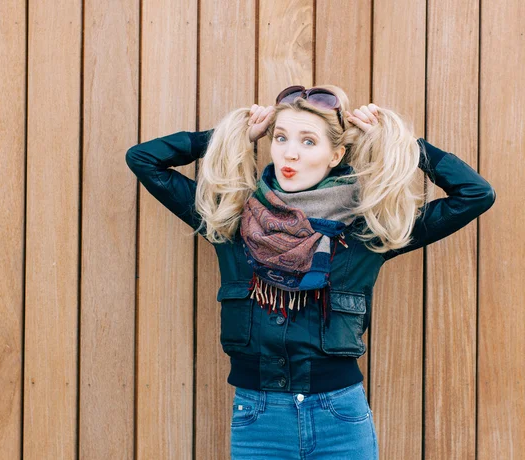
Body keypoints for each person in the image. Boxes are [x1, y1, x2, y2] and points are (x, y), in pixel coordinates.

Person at [126, 84, 496, 459]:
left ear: (335, 154)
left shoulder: (365, 232)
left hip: (339, 418)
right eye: (281, 137)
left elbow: (476, 194)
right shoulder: (232, 221)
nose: (290, 152)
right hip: (259, 420)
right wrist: (230, 135)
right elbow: (143, 159)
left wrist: (401, 144)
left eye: (308, 142)